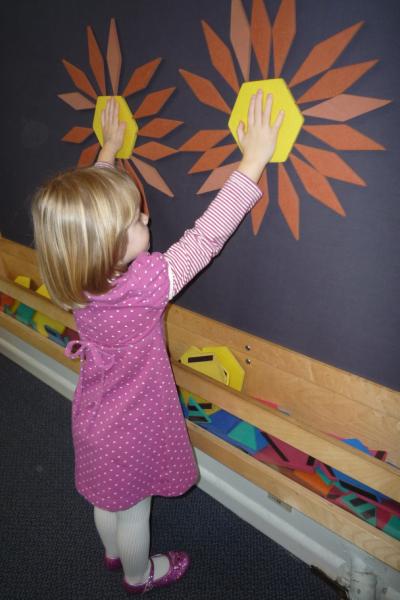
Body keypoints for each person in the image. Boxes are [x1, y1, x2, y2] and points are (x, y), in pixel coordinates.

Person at [31, 92, 284, 594]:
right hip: (133, 425)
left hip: (95, 419)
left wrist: (108, 152)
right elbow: (205, 238)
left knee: (106, 500)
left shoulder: (74, 276)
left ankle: (110, 554)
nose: (146, 217)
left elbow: (86, 220)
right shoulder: (145, 284)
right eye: (135, 220)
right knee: (134, 511)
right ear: (109, 247)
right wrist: (252, 162)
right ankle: (137, 574)